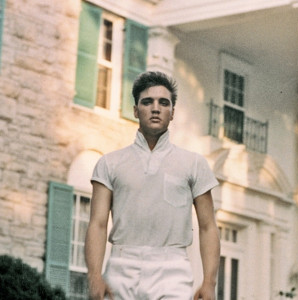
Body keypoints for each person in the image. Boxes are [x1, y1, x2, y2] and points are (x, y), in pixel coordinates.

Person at [85, 71, 220, 300]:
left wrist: (209, 282)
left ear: (172, 113)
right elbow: (97, 224)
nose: (155, 108)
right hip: (121, 266)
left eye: (163, 103)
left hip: (173, 270)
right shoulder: (109, 163)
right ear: (136, 110)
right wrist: (94, 275)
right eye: (147, 102)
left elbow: (208, 226)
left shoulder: (194, 164)